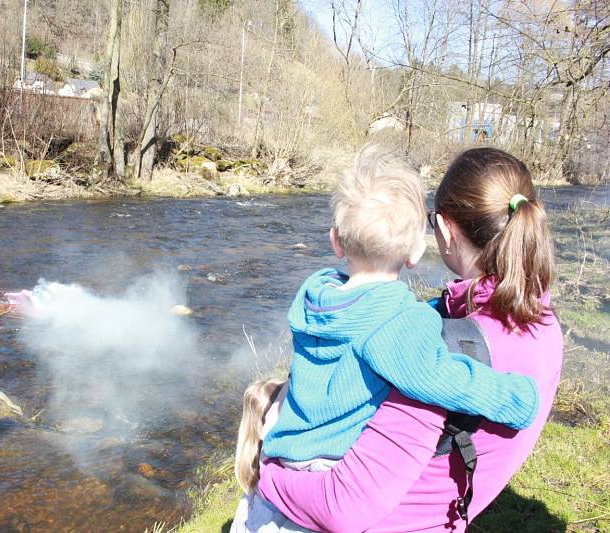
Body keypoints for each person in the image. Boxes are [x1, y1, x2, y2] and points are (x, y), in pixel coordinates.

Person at [232, 145, 541, 532]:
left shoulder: (315, 297)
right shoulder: (398, 324)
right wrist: (515, 398)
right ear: (415, 252)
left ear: (336, 241)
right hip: (321, 476)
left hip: (284, 455)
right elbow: (445, 378)